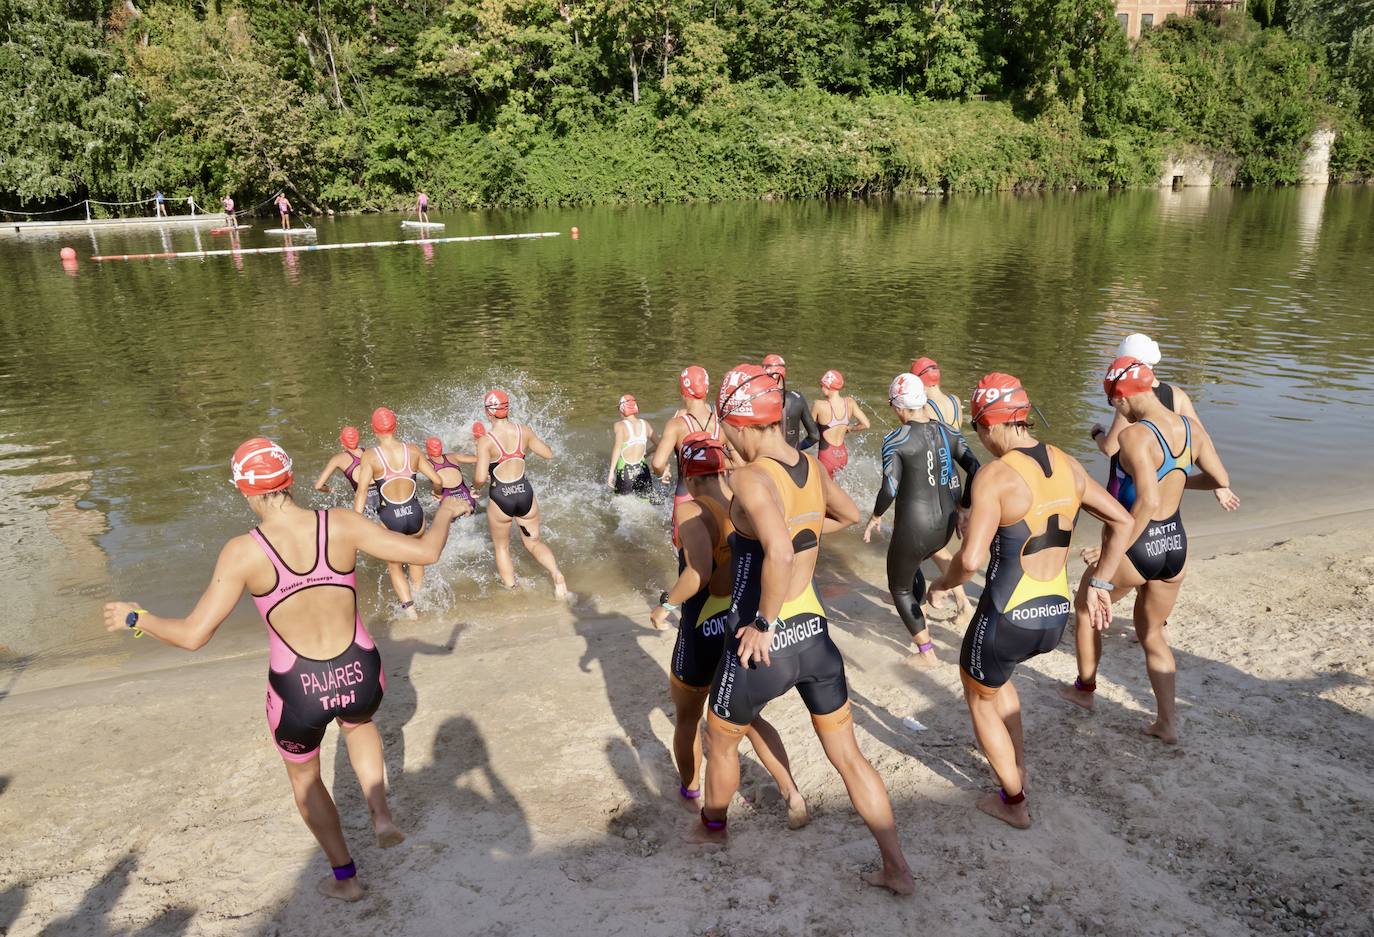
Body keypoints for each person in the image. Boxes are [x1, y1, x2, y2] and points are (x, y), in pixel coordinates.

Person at [103, 438, 472, 901]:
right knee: (359, 725)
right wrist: (444, 513)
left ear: (243, 490)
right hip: (360, 668)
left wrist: (137, 619)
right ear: (290, 479)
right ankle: (381, 814)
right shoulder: (340, 523)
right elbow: (427, 554)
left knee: (305, 779)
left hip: (298, 689)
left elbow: (193, 635)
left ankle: (346, 880)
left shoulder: (242, 553)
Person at [690, 364, 914, 896]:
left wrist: (764, 622)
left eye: (725, 426)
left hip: (762, 643)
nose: (723, 437)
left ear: (742, 424)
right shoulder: (810, 467)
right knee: (850, 758)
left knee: (718, 740)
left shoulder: (749, 477)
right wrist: (802, 526)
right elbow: (850, 514)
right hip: (815, 637)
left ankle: (712, 831)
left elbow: (780, 550)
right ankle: (896, 868)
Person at [925, 373, 1133, 830]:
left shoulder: (995, 477)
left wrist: (941, 585)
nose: (981, 440)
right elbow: (1122, 519)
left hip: (1006, 618)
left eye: (979, 429)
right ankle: (1019, 767)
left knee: (979, 699)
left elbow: (972, 560)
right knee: (999, 684)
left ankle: (1013, 802)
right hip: (1054, 616)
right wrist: (1099, 581)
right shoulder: (1069, 464)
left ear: (989, 424)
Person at [1058, 358, 1239, 744]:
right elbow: (1220, 478)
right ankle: (1167, 723)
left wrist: (1106, 572)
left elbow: (1144, 502)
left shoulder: (1136, 436)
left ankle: (1084, 691)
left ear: (1122, 397)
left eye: (1112, 402)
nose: (1114, 410)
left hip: (1138, 546)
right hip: (1175, 543)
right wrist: (1179, 479)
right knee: (1153, 633)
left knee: (1088, 608)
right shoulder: (1190, 427)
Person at [649, 432, 809, 828]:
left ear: (687, 473)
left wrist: (665, 604)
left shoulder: (690, 511)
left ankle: (691, 793)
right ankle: (792, 792)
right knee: (747, 717)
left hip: (702, 627)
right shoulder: (741, 502)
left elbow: (698, 572)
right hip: (739, 622)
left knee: (688, 719)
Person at [863, 373, 980, 666]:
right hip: (946, 527)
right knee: (912, 565)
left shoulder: (896, 440)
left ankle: (926, 654)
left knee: (899, 588)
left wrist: (876, 515)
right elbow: (976, 468)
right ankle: (928, 612)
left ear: (899, 406)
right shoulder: (948, 432)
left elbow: (889, 487)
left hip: (915, 529)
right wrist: (965, 507)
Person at [472, 390, 568, 598]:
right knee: (534, 542)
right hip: (525, 493)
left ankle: (513, 592)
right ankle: (556, 574)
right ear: (507, 409)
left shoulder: (486, 441)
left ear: (488, 412)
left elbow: (480, 477)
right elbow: (548, 454)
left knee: (502, 548)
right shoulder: (524, 431)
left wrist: (475, 487)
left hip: (501, 497)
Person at [351, 407, 446, 619]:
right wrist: (437, 493)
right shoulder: (411, 450)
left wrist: (355, 523)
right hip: (415, 515)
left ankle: (410, 610)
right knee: (416, 558)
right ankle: (421, 595)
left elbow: (362, 491)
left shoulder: (370, 456)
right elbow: (438, 480)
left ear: (373, 429)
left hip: (390, 517)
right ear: (396, 426)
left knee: (394, 566)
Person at [650, 366, 731, 543]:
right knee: (718, 549)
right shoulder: (721, 424)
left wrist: (663, 472)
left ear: (682, 390)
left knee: (684, 552)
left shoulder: (676, 425)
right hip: (718, 496)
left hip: (686, 493)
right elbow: (737, 460)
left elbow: (657, 463)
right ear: (707, 389)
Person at [1089, 333, 1202, 458]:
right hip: (1174, 472)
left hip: (1138, 473)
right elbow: (1201, 439)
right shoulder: (1178, 395)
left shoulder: (1129, 399)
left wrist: (1098, 433)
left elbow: (1110, 448)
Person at [810, 369, 869, 479]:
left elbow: (811, 432)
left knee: (823, 491)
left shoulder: (818, 405)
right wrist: (850, 428)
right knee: (834, 487)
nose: (821, 388)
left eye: (822, 385)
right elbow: (866, 424)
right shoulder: (849, 402)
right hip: (842, 456)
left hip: (826, 457)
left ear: (828, 387)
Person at [313, 425, 378, 514]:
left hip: (363, 501)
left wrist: (331, 490)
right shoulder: (371, 452)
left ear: (342, 441)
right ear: (358, 439)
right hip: (381, 495)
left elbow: (318, 486)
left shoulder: (338, 459)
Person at [761, 354, 819, 451]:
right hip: (793, 457)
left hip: (768, 457)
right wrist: (797, 449)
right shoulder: (798, 398)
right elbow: (815, 436)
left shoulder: (758, 400)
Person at [606, 394, 656, 497]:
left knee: (620, 504)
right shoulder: (645, 424)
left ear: (622, 409)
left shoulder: (620, 425)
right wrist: (646, 453)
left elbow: (617, 448)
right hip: (643, 471)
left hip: (626, 472)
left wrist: (611, 472)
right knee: (645, 503)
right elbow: (659, 445)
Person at [425, 436, 478, 512]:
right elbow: (479, 459)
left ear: (427, 450)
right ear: (441, 448)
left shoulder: (426, 464)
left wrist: (436, 494)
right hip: (467, 499)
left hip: (447, 500)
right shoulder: (453, 456)